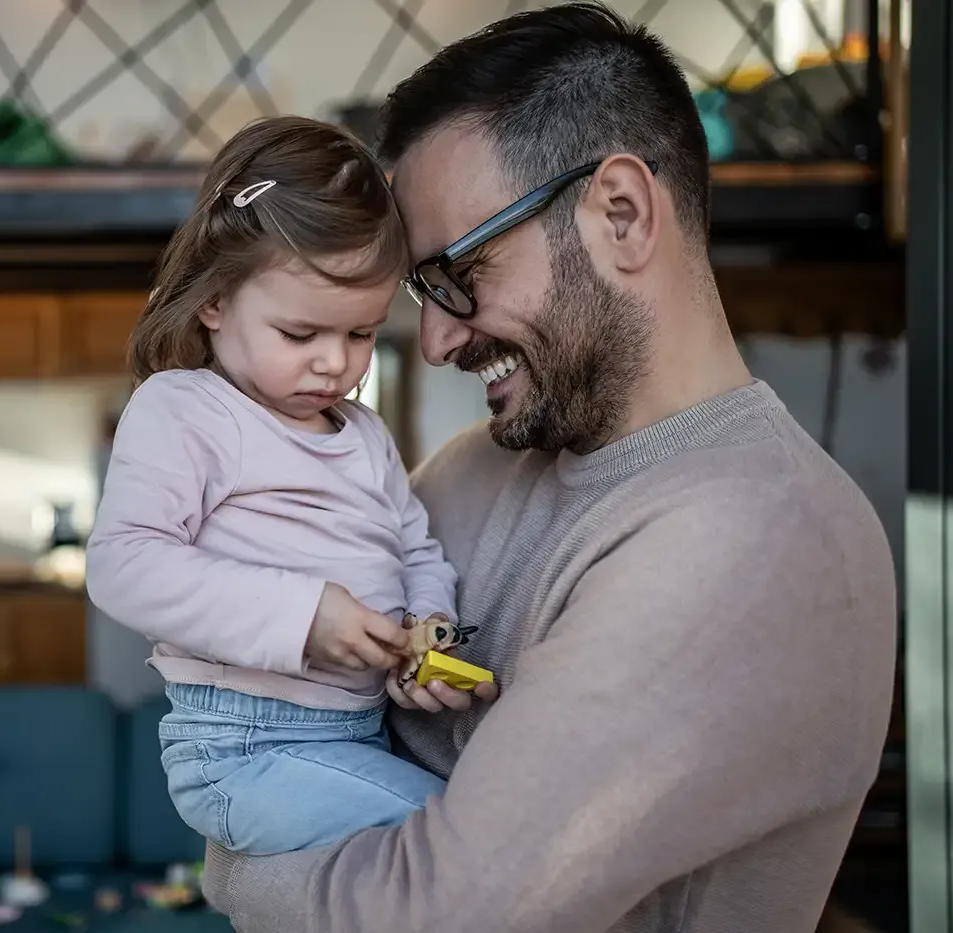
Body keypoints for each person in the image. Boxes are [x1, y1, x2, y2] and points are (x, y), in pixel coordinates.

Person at [199, 3, 899, 932]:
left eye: (459, 274)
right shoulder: (464, 471)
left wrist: (234, 865)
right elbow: (251, 727)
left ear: (620, 213)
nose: (438, 338)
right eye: (422, 291)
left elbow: (436, 916)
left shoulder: (760, 537)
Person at [85, 115, 472, 857]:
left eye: (360, 334)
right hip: (242, 747)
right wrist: (303, 615)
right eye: (302, 335)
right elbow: (123, 562)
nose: (335, 364)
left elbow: (418, 551)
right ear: (216, 301)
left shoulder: (364, 438)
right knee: (456, 836)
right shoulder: (186, 408)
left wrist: (431, 626)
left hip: (357, 734)